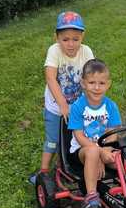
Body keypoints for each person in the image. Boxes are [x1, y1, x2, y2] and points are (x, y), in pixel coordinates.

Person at [29, 11, 94, 185]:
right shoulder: (54, 51)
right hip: (56, 107)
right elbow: (50, 78)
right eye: (65, 39)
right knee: (53, 140)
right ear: (56, 37)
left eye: (75, 39)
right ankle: (43, 173)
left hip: (77, 108)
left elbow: (91, 76)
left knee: (73, 139)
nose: (71, 44)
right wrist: (62, 104)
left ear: (82, 36)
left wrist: (92, 101)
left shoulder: (86, 51)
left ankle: (64, 166)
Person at [68, 59, 122, 208]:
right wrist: (98, 153)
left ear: (108, 84)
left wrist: (105, 151)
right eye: (92, 83)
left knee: (125, 158)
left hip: (105, 148)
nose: (97, 88)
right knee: (92, 152)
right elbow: (79, 136)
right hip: (81, 151)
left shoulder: (111, 106)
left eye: (101, 83)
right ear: (83, 83)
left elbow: (112, 133)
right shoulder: (78, 107)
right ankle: (91, 196)